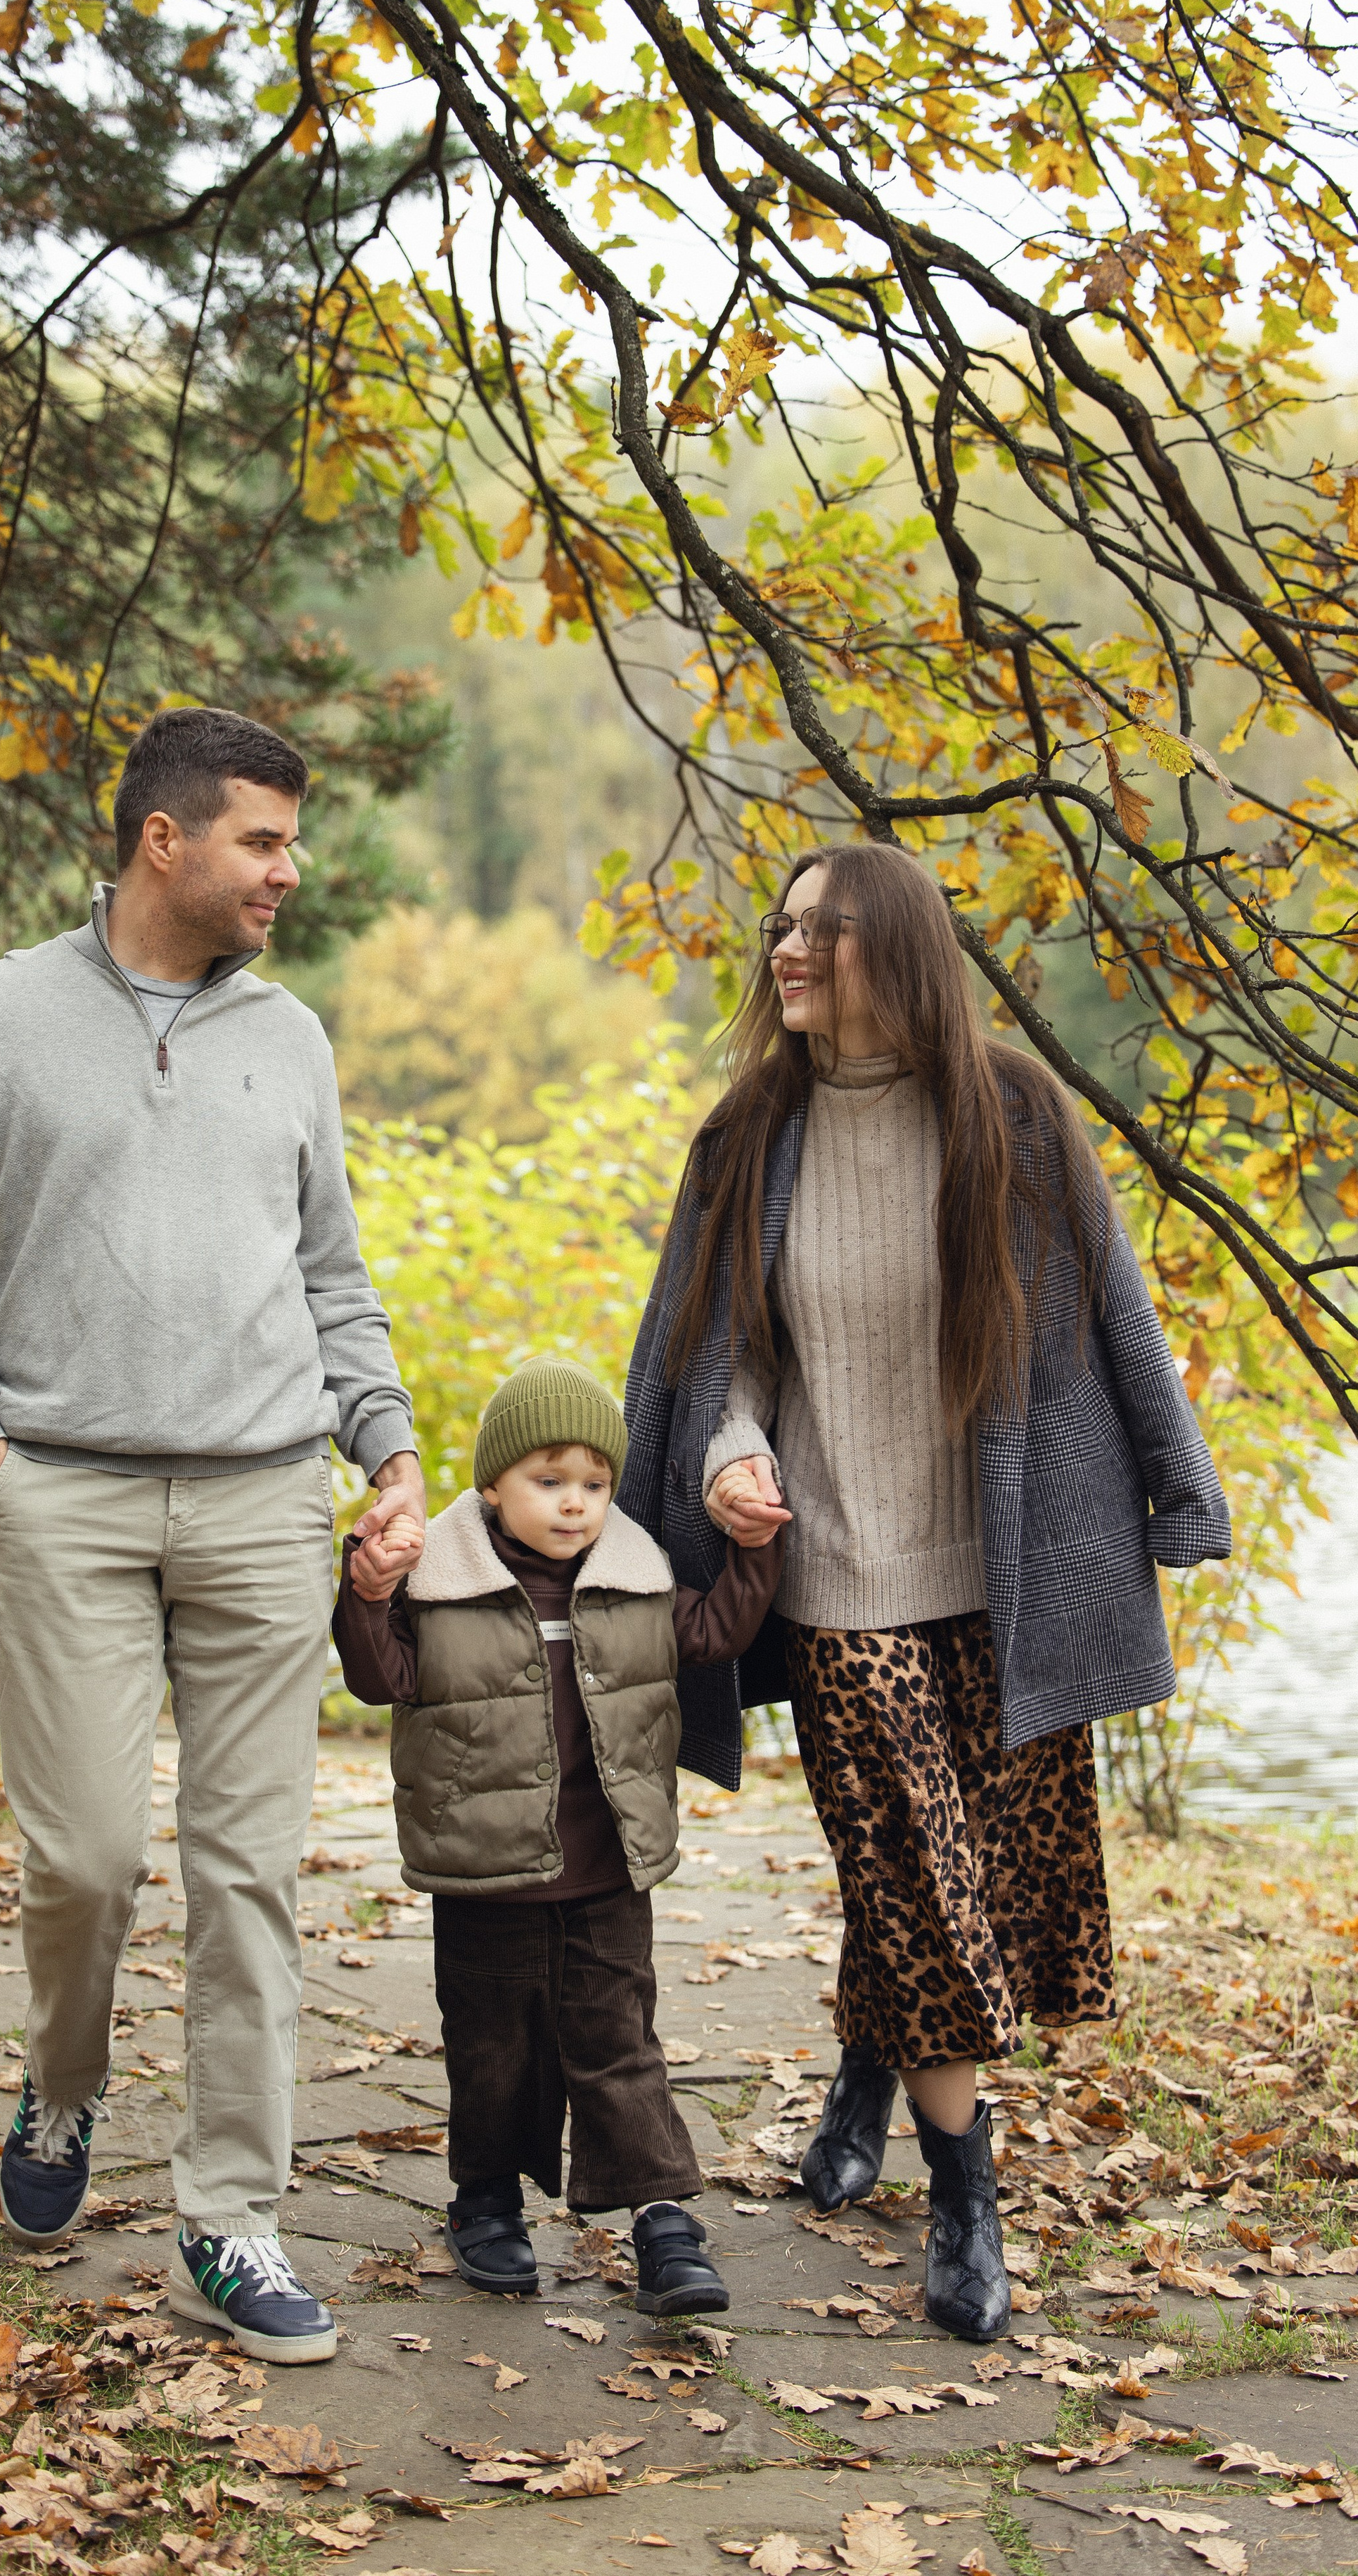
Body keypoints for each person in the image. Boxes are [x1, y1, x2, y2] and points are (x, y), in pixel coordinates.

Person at [619, 840, 1229, 2345]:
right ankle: (966, 2195)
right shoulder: (747, 1136)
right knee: (913, 1871)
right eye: (780, 926)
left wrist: (1180, 1484)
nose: (787, 950)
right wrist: (728, 1457)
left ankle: (864, 2074)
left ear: (893, 947)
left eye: (821, 929)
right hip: (833, 1575)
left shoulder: (1010, 1114)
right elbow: (711, 1351)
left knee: (979, 1878)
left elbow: (1114, 1305)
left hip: (1009, 1574)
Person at [0, 704, 425, 2364]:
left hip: (265, 1499)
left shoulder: (290, 1037)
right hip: (68, 1496)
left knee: (248, 1872)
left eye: (292, 841)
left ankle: (228, 2217)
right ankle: (61, 2087)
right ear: (162, 840)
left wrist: (387, 1447)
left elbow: (330, 1270)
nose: (288, 870)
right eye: (262, 840)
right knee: (86, 1859)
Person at [331, 1356, 786, 2313]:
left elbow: (717, 1633)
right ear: (493, 1486)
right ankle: (487, 2200)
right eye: (548, 1480)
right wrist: (368, 1593)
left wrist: (752, 1552)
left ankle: (662, 2216)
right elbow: (380, 1679)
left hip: (607, 1864)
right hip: (482, 1867)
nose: (575, 1503)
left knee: (619, 2040)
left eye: (594, 1483)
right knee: (492, 2045)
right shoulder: (438, 1580)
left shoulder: (636, 1577)